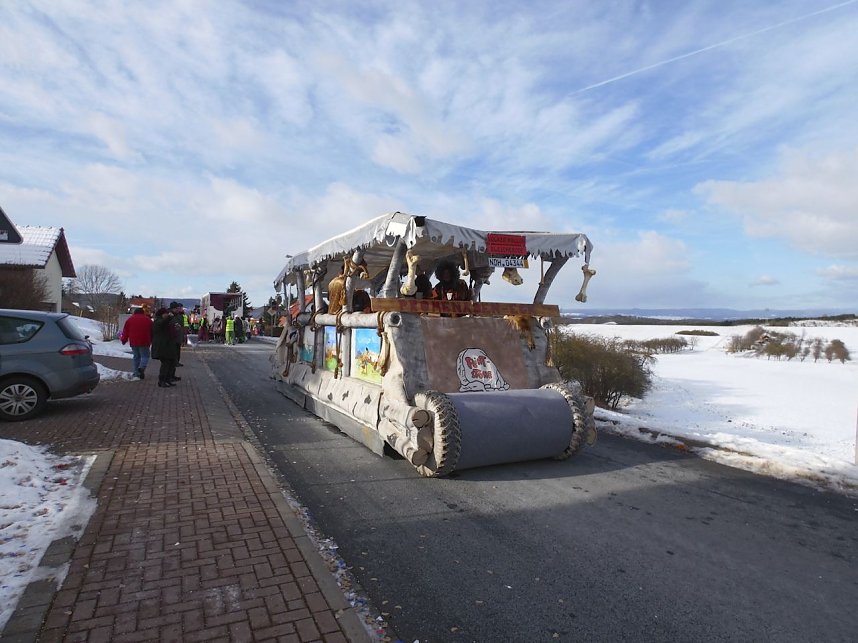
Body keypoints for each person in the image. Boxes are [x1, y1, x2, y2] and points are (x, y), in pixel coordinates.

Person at [121, 308, 153, 379]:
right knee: (145, 356)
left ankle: (136, 373)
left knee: (136, 357)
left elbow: (125, 331)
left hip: (133, 341)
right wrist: (152, 340)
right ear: (143, 313)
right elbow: (152, 331)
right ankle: (142, 367)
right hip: (145, 341)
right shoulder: (148, 320)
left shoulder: (130, 320)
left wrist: (124, 340)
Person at [152, 307, 179, 387]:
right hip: (162, 346)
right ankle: (162, 380)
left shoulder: (163, 321)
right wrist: (170, 317)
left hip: (167, 345)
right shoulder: (158, 321)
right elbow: (162, 323)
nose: (167, 315)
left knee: (170, 363)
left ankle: (167, 379)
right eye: (165, 314)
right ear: (162, 314)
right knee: (165, 364)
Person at [169, 302, 186, 366]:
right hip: (174, 336)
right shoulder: (173, 315)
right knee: (174, 350)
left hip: (179, 335)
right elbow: (177, 323)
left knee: (177, 350)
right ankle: (175, 362)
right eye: (179, 308)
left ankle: (176, 362)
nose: (181, 309)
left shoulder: (179, 315)